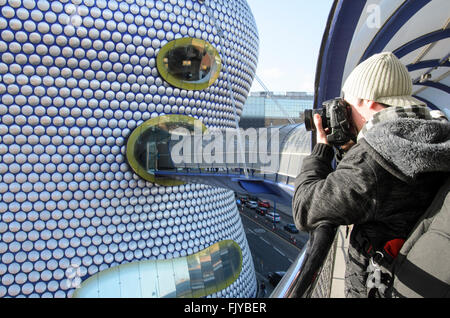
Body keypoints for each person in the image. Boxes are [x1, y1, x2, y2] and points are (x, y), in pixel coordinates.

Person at [292, 52, 450, 297]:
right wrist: (350, 147)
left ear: (368, 101)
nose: (343, 111)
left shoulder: (377, 157)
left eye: (348, 103)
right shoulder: (432, 132)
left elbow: (305, 208)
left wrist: (321, 151)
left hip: (382, 286)